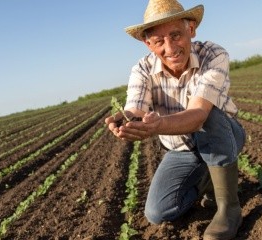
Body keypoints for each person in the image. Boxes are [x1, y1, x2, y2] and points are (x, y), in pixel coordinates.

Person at [105, 0, 246, 239]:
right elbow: (136, 109)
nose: (170, 48)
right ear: (147, 43)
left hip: (223, 136)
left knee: (209, 115)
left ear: (191, 29)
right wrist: (127, 120)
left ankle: (229, 208)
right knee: (158, 212)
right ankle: (206, 179)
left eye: (176, 35)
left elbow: (199, 114)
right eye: (159, 41)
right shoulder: (141, 70)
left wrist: (159, 124)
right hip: (181, 149)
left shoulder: (213, 54)